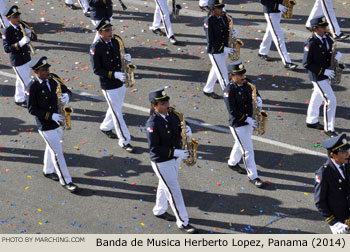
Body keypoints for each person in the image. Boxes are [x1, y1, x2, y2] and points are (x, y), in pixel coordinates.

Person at [145, 88, 197, 234]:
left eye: (167, 101)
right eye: (162, 103)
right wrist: (175, 152)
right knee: (174, 191)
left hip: (175, 158)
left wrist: (187, 131)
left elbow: (178, 128)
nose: (167, 104)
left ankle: (159, 210)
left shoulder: (173, 114)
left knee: (164, 185)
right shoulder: (152, 124)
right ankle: (183, 221)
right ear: (154, 105)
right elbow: (154, 149)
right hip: (162, 162)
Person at [27, 56, 78, 193]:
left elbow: (66, 89)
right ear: (36, 72)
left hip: (58, 121)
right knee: (57, 152)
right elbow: (32, 109)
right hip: (45, 125)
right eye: (44, 70)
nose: (47, 71)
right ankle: (66, 181)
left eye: (47, 68)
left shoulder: (53, 78)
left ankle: (48, 170)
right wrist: (50, 115)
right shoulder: (33, 87)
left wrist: (67, 95)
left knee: (52, 148)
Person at [90, 17, 135, 153]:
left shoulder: (116, 40)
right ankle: (124, 140)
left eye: (110, 29)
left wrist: (127, 56)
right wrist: (113, 74)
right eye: (107, 30)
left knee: (115, 108)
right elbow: (97, 70)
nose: (110, 32)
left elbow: (122, 52)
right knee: (117, 114)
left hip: (120, 81)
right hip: (109, 84)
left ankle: (105, 126)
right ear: (100, 33)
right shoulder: (96, 48)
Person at [223, 63, 265, 188]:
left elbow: (254, 91)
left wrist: (259, 98)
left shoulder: (247, 82)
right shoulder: (229, 91)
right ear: (232, 76)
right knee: (248, 150)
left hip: (250, 119)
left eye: (243, 73)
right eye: (239, 74)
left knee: (240, 143)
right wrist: (246, 118)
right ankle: (253, 176)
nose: (243, 76)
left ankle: (232, 162)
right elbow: (232, 111)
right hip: (239, 124)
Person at [303, 16, 341, 138]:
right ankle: (329, 128)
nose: (326, 28)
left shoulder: (327, 37)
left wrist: (337, 60)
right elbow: (306, 63)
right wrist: (323, 71)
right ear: (315, 28)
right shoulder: (311, 43)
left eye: (325, 26)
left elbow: (330, 52)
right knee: (330, 100)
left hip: (327, 72)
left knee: (317, 96)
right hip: (318, 76)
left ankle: (311, 120)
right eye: (323, 27)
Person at [2, 5, 37, 108]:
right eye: (15, 17)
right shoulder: (7, 31)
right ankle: (31, 101)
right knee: (26, 82)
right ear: (9, 19)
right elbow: (7, 49)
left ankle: (19, 98)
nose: (18, 19)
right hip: (17, 61)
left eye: (18, 17)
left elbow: (35, 37)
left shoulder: (22, 25)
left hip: (26, 58)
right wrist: (20, 43)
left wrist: (30, 34)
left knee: (20, 79)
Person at [314, 134, 350, 234]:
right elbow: (320, 202)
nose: (347, 154)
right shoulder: (324, 173)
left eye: (347, 151)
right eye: (343, 152)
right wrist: (334, 223)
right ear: (333, 155)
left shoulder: (347, 162)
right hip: (339, 222)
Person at [203, 0, 235, 99]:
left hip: (224, 48)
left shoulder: (222, 17)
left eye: (221, 7)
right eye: (219, 8)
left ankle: (208, 89)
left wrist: (232, 31)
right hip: (215, 51)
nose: (221, 9)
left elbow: (226, 29)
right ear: (212, 9)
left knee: (216, 70)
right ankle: (229, 96)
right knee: (223, 75)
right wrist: (223, 48)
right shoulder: (209, 21)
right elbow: (211, 40)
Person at [258, 0, 297, 70]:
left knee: (269, 32)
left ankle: (262, 51)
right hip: (271, 11)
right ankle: (287, 62)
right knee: (279, 37)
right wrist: (277, 6)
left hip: (278, 10)